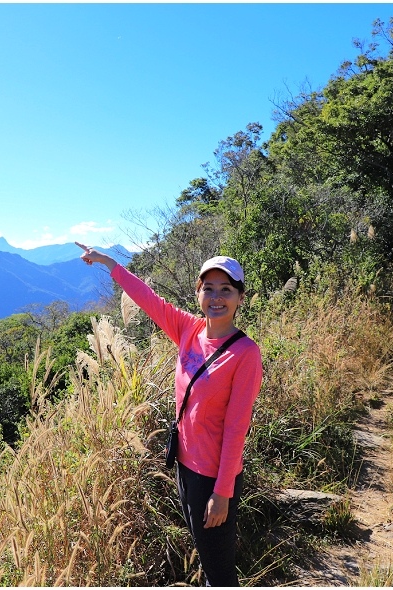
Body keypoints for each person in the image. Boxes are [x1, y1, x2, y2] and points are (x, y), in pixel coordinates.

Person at [76, 242, 263, 586]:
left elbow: (237, 429)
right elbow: (148, 299)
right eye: (209, 288)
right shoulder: (189, 330)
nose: (216, 297)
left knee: (219, 572)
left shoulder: (245, 354)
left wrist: (222, 494)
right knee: (207, 559)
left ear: (240, 297)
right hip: (184, 464)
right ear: (198, 293)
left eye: (226, 289)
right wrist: (109, 263)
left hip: (213, 477)